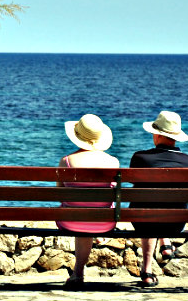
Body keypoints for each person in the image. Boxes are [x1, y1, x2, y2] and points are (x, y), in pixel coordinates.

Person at [130, 111, 188, 287]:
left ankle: (147, 270)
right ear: (175, 137)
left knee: (148, 208)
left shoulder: (140, 158)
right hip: (175, 224)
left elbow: (134, 184)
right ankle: (165, 242)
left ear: (157, 134)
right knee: (163, 206)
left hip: (143, 221)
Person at [56, 114, 120, 289]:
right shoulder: (113, 162)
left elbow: (59, 194)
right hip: (104, 222)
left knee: (79, 212)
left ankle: (78, 274)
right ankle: (78, 272)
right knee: (90, 213)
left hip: (70, 221)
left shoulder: (66, 161)